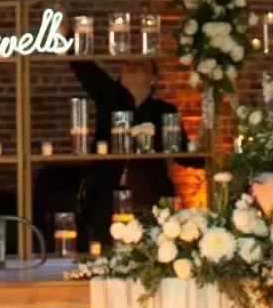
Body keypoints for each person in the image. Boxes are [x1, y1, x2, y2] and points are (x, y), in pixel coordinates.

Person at [69, 58, 187, 245]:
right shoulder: (109, 100)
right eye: (127, 65)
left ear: (154, 78)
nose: (132, 68)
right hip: (105, 196)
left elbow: (185, 155)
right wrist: (67, 37)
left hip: (151, 197)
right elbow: (86, 69)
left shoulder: (164, 111)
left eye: (140, 65)